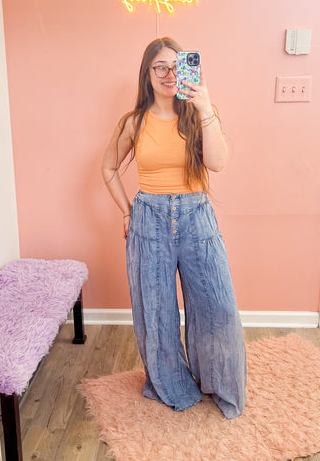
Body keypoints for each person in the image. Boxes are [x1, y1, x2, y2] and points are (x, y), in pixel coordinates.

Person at [101, 37, 246, 419]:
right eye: (160, 67)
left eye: (175, 67)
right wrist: (127, 212)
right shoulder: (133, 122)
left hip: (197, 216)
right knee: (157, 310)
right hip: (149, 219)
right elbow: (108, 168)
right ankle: (173, 386)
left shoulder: (200, 113)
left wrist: (204, 107)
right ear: (147, 73)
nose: (168, 75)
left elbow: (217, 163)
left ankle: (220, 384)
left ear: (187, 71)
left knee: (217, 307)